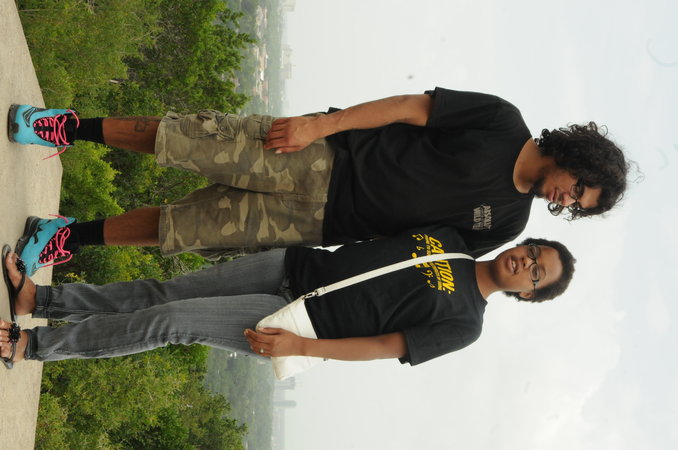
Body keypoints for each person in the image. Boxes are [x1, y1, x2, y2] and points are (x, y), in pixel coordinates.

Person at [8, 88, 623, 276]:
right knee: (185, 140)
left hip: (319, 223)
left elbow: (425, 253)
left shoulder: (510, 224)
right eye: (578, 189)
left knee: (182, 231)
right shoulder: (502, 121)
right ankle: (66, 128)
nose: (566, 201)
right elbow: (411, 108)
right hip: (321, 156)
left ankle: (65, 236)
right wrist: (319, 124)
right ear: (577, 158)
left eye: (577, 206)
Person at [0, 225, 575, 370]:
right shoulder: (452, 241)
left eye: (536, 275)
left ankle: (33, 347)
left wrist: (300, 347)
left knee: (170, 320)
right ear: (522, 244)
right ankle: (38, 301)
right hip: (292, 266)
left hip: (294, 321)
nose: (526, 264)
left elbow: (384, 346)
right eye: (533, 253)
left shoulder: (466, 324)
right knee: (163, 290)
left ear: (529, 295)